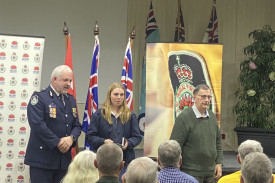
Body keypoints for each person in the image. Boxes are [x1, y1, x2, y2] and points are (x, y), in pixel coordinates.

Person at [24, 65, 82, 183]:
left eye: (70, 80)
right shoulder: (40, 98)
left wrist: (71, 138)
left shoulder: (70, 100)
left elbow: (76, 125)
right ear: (54, 79)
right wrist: (58, 142)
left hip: (63, 161)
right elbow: (37, 125)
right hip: (42, 160)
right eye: (65, 80)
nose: (69, 84)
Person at [86, 82, 142, 180]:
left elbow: (137, 137)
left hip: (124, 161)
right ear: (109, 95)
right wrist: (104, 142)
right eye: (116, 94)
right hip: (103, 162)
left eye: (122, 94)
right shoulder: (99, 115)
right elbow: (90, 136)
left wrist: (128, 143)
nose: (119, 97)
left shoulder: (130, 115)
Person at [170, 84, 223, 183]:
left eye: (209, 97)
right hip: (190, 173)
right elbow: (174, 146)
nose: (207, 100)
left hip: (211, 173)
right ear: (194, 97)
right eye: (203, 96)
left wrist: (219, 163)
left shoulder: (212, 116)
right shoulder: (184, 118)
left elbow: (218, 141)